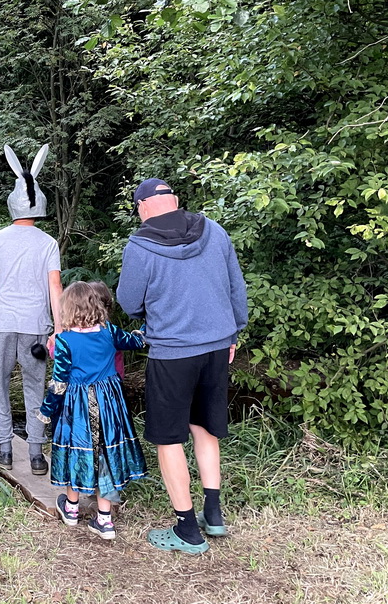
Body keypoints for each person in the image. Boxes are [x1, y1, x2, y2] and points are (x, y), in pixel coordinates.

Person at [116, 178, 248, 555]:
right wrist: (234, 332)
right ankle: (214, 514)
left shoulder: (140, 245)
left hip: (172, 352)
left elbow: (129, 301)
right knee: (205, 426)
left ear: (142, 207)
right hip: (217, 346)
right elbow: (236, 286)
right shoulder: (214, 230)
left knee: (169, 437)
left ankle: (187, 530)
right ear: (174, 201)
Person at [39, 281, 148, 540]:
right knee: (105, 455)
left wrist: (46, 410)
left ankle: (71, 509)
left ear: (68, 309)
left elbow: (59, 383)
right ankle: (104, 520)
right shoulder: (109, 331)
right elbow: (137, 341)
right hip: (109, 406)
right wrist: (149, 323)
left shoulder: (64, 341)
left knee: (77, 450)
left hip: (77, 407)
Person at [0, 145, 62, 475]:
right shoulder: (48, 243)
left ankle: (4, 449)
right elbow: (55, 287)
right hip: (36, 325)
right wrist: (59, 329)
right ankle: (36, 455)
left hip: (1, 323)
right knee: (34, 386)